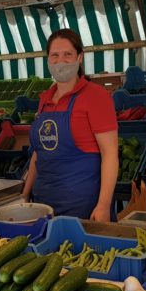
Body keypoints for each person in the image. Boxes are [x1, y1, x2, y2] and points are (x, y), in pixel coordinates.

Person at [21, 29, 119, 222]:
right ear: (48, 60)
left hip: (82, 207)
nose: (60, 61)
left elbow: (110, 153)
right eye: (55, 55)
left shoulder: (96, 96)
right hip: (43, 205)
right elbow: (38, 153)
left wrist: (103, 205)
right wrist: (25, 193)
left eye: (68, 54)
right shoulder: (45, 100)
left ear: (79, 58)